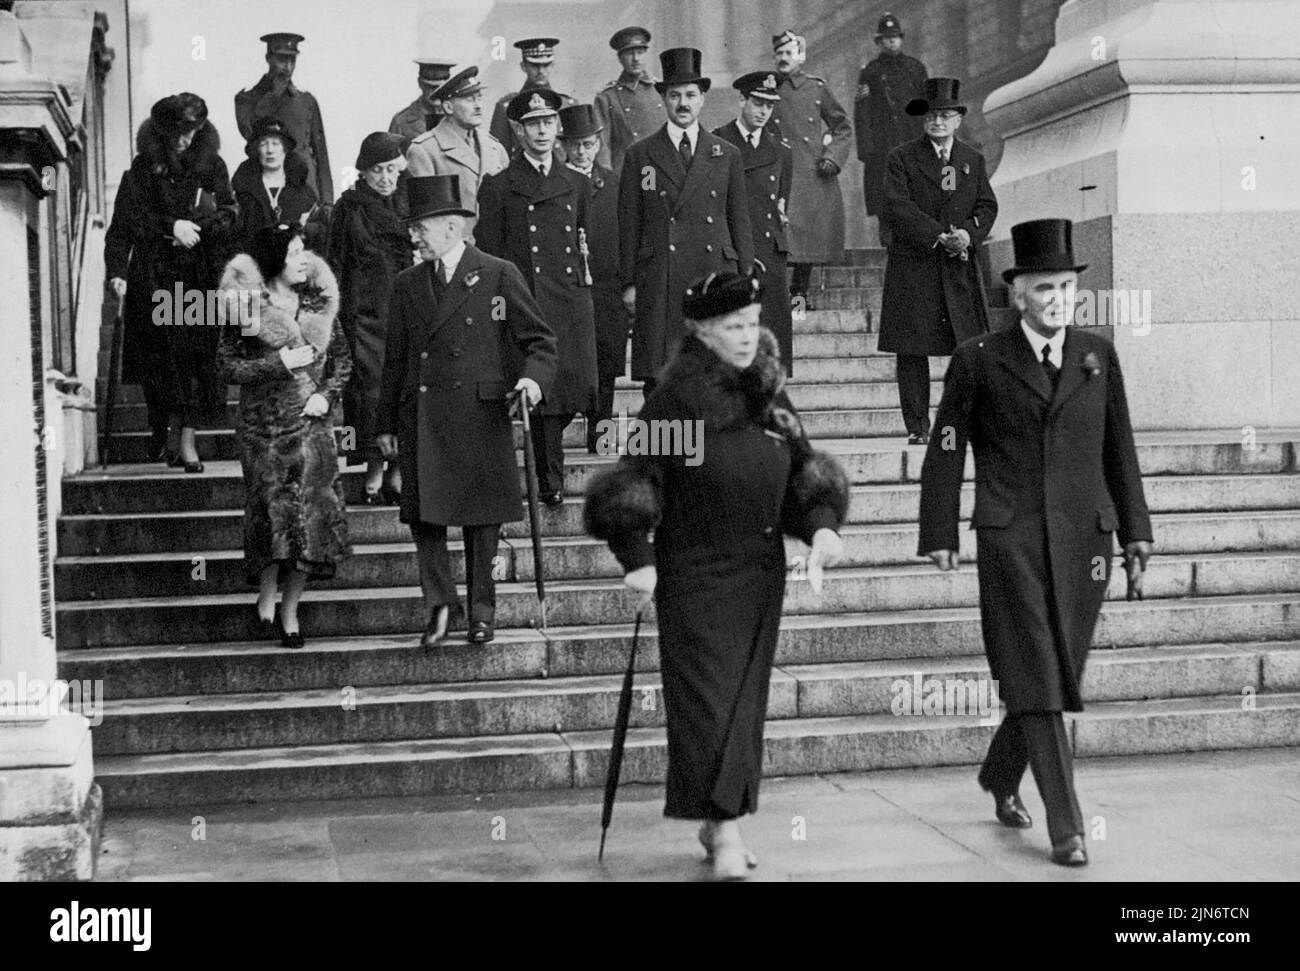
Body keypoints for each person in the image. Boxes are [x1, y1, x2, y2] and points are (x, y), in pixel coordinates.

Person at [583, 272, 849, 880]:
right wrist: (637, 558)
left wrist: (823, 528)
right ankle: (727, 832)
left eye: (753, 322)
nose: (748, 336)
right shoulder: (675, 400)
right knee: (708, 705)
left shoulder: (769, 395)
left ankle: (716, 818)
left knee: (742, 706)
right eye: (733, 326)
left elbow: (806, 476)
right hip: (694, 575)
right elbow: (634, 480)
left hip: (759, 575)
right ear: (702, 331)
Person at [917, 218, 1154, 867]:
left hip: (1089, 542)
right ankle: (1067, 825)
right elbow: (945, 446)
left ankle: (1000, 773)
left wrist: (1137, 530)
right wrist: (938, 529)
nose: (1057, 299)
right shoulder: (980, 359)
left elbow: (1119, 447)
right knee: (1040, 674)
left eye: (1065, 287)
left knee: (1056, 672)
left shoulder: (1097, 354)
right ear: (1017, 292)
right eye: (1042, 288)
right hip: (1010, 535)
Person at [375, 175, 557, 648]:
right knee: (425, 520)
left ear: (452, 226)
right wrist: (384, 426)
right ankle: (439, 607)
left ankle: (481, 611)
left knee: (481, 521)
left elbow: (540, 341)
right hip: (422, 415)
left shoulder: (497, 273)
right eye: (412, 228)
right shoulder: (407, 284)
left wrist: (531, 381)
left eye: (420, 228)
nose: (413, 237)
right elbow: (394, 360)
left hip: (479, 414)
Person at [217, 225, 353, 649]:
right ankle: (266, 590)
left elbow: (343, 363)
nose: (303, 260)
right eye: (294, 252)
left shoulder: (319, 305)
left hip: (313, 428)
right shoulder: (246, 309)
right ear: (275, 261)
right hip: (265, 431)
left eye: (304, 251)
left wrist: (326, 398)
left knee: (311, 523)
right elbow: (227, 368)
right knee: (272, 516)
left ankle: (290, 613)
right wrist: (278, 362)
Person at [476, 90, 599, 506]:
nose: (542, 131)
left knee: (570, 390)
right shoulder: (498, 187)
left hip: (570, 300)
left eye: (548, 122)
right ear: (518, 130)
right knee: (542, 395)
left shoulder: (577, 183)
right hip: (527, 298)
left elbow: (582, 241)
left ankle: (550, 468)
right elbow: (490, 254)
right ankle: (550, 479)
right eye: (533, 124)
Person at [104, 93, 237, 472]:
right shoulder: (143, 169)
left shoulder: (213, 166)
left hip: (199, 276)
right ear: (162, 132)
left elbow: (230, 213)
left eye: (192, 132)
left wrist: (200, 226)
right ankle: (164, 429)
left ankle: (188, 440)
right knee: (162, 362)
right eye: (177, 132)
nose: (184, 140)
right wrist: (118, 269)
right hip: (156, 276)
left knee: (198, 360)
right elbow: (125, 225)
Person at [618, 47, 753, 395]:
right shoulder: (641, 155)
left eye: (691, 95)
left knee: (715, 373)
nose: (683, 103)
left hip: (714, 273)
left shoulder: (726, 154)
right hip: (661, 275)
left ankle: (710, 448)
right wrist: (629, 282)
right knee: (662, 376)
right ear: (663, 98)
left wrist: (745, 277)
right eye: (675, 95)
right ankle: (666, 448)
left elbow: (739, 220)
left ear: (703, 99)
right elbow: (631, 221)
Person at [877, 77, 997, 445]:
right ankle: (917, 427)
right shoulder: (901, 158)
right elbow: (897, 206)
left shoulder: (972, 159)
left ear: (958, 120)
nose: (939, 122)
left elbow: (986, 204)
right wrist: (937, 235)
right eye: (932, 116)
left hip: (958, 264)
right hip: (915, 265)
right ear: (923, 120)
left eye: (946, 116)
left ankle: (968, 419)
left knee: (969, 348)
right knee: (912, 349)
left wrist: (967, 234)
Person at [328, 132, 411, 504]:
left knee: (403, 388)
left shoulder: (407, 204)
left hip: (403, 311)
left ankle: (397, 471)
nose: (385, 178)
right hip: (363, 315)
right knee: (370, 393)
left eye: (391, 169)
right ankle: (374, 468)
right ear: (364, 171)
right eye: (378, 170)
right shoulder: (349, 207)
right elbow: (335, 262)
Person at [713, 71, 794, 374]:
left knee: (771, 338)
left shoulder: (782, 151)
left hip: (770, 254)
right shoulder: (719, 141)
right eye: (757, 103)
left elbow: (781, 204)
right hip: (733, 250)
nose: (763, 112)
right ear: (742, 101)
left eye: (769, 106)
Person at [768, 30, 852, 310]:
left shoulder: (816, 88)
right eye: (779, 53)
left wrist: (833, 158)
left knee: (807, 244)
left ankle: (799, 301)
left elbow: (842, 126)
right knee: (780, 240)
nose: (783, 58)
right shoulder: (767, 88)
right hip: (776, 171)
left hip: (811, 172)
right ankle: (778, 301)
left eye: (789, 53)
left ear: (801, 56)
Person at [560, 104, 626, 454]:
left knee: (607, 362)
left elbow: (627, 232)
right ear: (564, 146)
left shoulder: (614, 182)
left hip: (607, 286)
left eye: (588, 144)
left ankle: (600, 435)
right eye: (575, 145)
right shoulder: (556, 182)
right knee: (572, 361)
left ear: (598, 143)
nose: (582, 152)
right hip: (568, 288)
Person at [405, 67, 509, 234]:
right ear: (448, 107)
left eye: (479, 98)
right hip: (457, 250)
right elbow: (426, 219)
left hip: (497, 251)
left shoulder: (495, 148)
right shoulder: (424, 151)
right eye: (469, 99)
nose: (478, 106)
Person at [235, 32, 334, 204]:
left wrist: (327, 201)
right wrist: (273, 95)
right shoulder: (247, 99)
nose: (288, 67)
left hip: (305, 189)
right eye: (281, 59)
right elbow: (250, 134)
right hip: (264, 190)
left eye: (292, 60)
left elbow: (321, 154)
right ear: (268, 58)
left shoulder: (306, 101)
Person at [854, 12, 927, 240]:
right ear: (879, 42)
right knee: (884, 196)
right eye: (887, 38)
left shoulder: (916, 68)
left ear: (901, 39)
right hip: (883, 144)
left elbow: (926, 105)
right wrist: (867, 149)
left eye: (895, 36)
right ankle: (888, 239)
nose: (892, 41)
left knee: (917, 191)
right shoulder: (870, 73)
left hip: (912, 138)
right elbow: (862, 112)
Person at [231, 116, 325, 254]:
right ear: (257, 150)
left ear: (285, 148)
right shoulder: (241, 193)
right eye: (263, 144)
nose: (270, 150)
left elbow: (318, 241)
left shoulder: (305, 194)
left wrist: (306, 229)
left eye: (276, 143)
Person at [488, 38, 577, 159]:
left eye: (546, 65)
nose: (541, 71)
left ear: (552, 66)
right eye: (534, 66)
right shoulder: (506, 107)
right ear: (523, 66)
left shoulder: (568, 105)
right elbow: (498, 156)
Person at [592, 26, 663, 177]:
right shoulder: (606, 97)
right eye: (630, 53)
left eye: (640, 52)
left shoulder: (662, 90)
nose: (636, 58)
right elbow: (602, 145)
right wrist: (608, 180)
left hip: (661, 171)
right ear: (620, 58)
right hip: (625, 175)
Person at [389, 58, 457, 146]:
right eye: (429, 87)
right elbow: (390, 158)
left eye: (439, 88)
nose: (434, 93)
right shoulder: (401, 121)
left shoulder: (459, 117)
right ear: (420, 83)